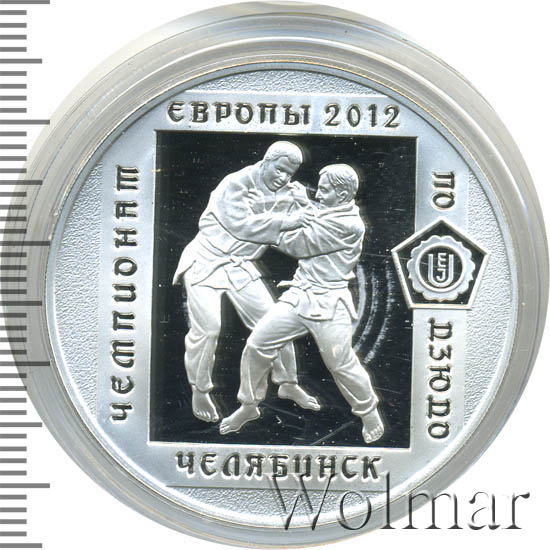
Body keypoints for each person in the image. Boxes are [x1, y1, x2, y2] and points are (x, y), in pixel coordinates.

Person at [220, 164, 384, 444]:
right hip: (298, 297)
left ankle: (369, 413)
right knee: (257, 345)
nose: (318, 194)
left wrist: (264, 219)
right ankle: (249, 405)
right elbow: (317, 216)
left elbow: (298, 245)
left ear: (342, 194)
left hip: (329, 304)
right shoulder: (331, 211)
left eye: (324, 190)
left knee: (341, 364)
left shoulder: (350, 224)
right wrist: (301, 203)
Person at [173, 141, 320, 423]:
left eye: (289, 173)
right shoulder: (235, 183)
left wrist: (304, 203)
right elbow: (241, 226)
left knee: (274, 322)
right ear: (266, 161)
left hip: (240, 266)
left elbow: (310, 224)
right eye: (279, 170)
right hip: (205, 261)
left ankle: (288, 383)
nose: (283, 178)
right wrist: (291, 219)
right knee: (208, 329)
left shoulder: (290, 192)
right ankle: (200, 390)